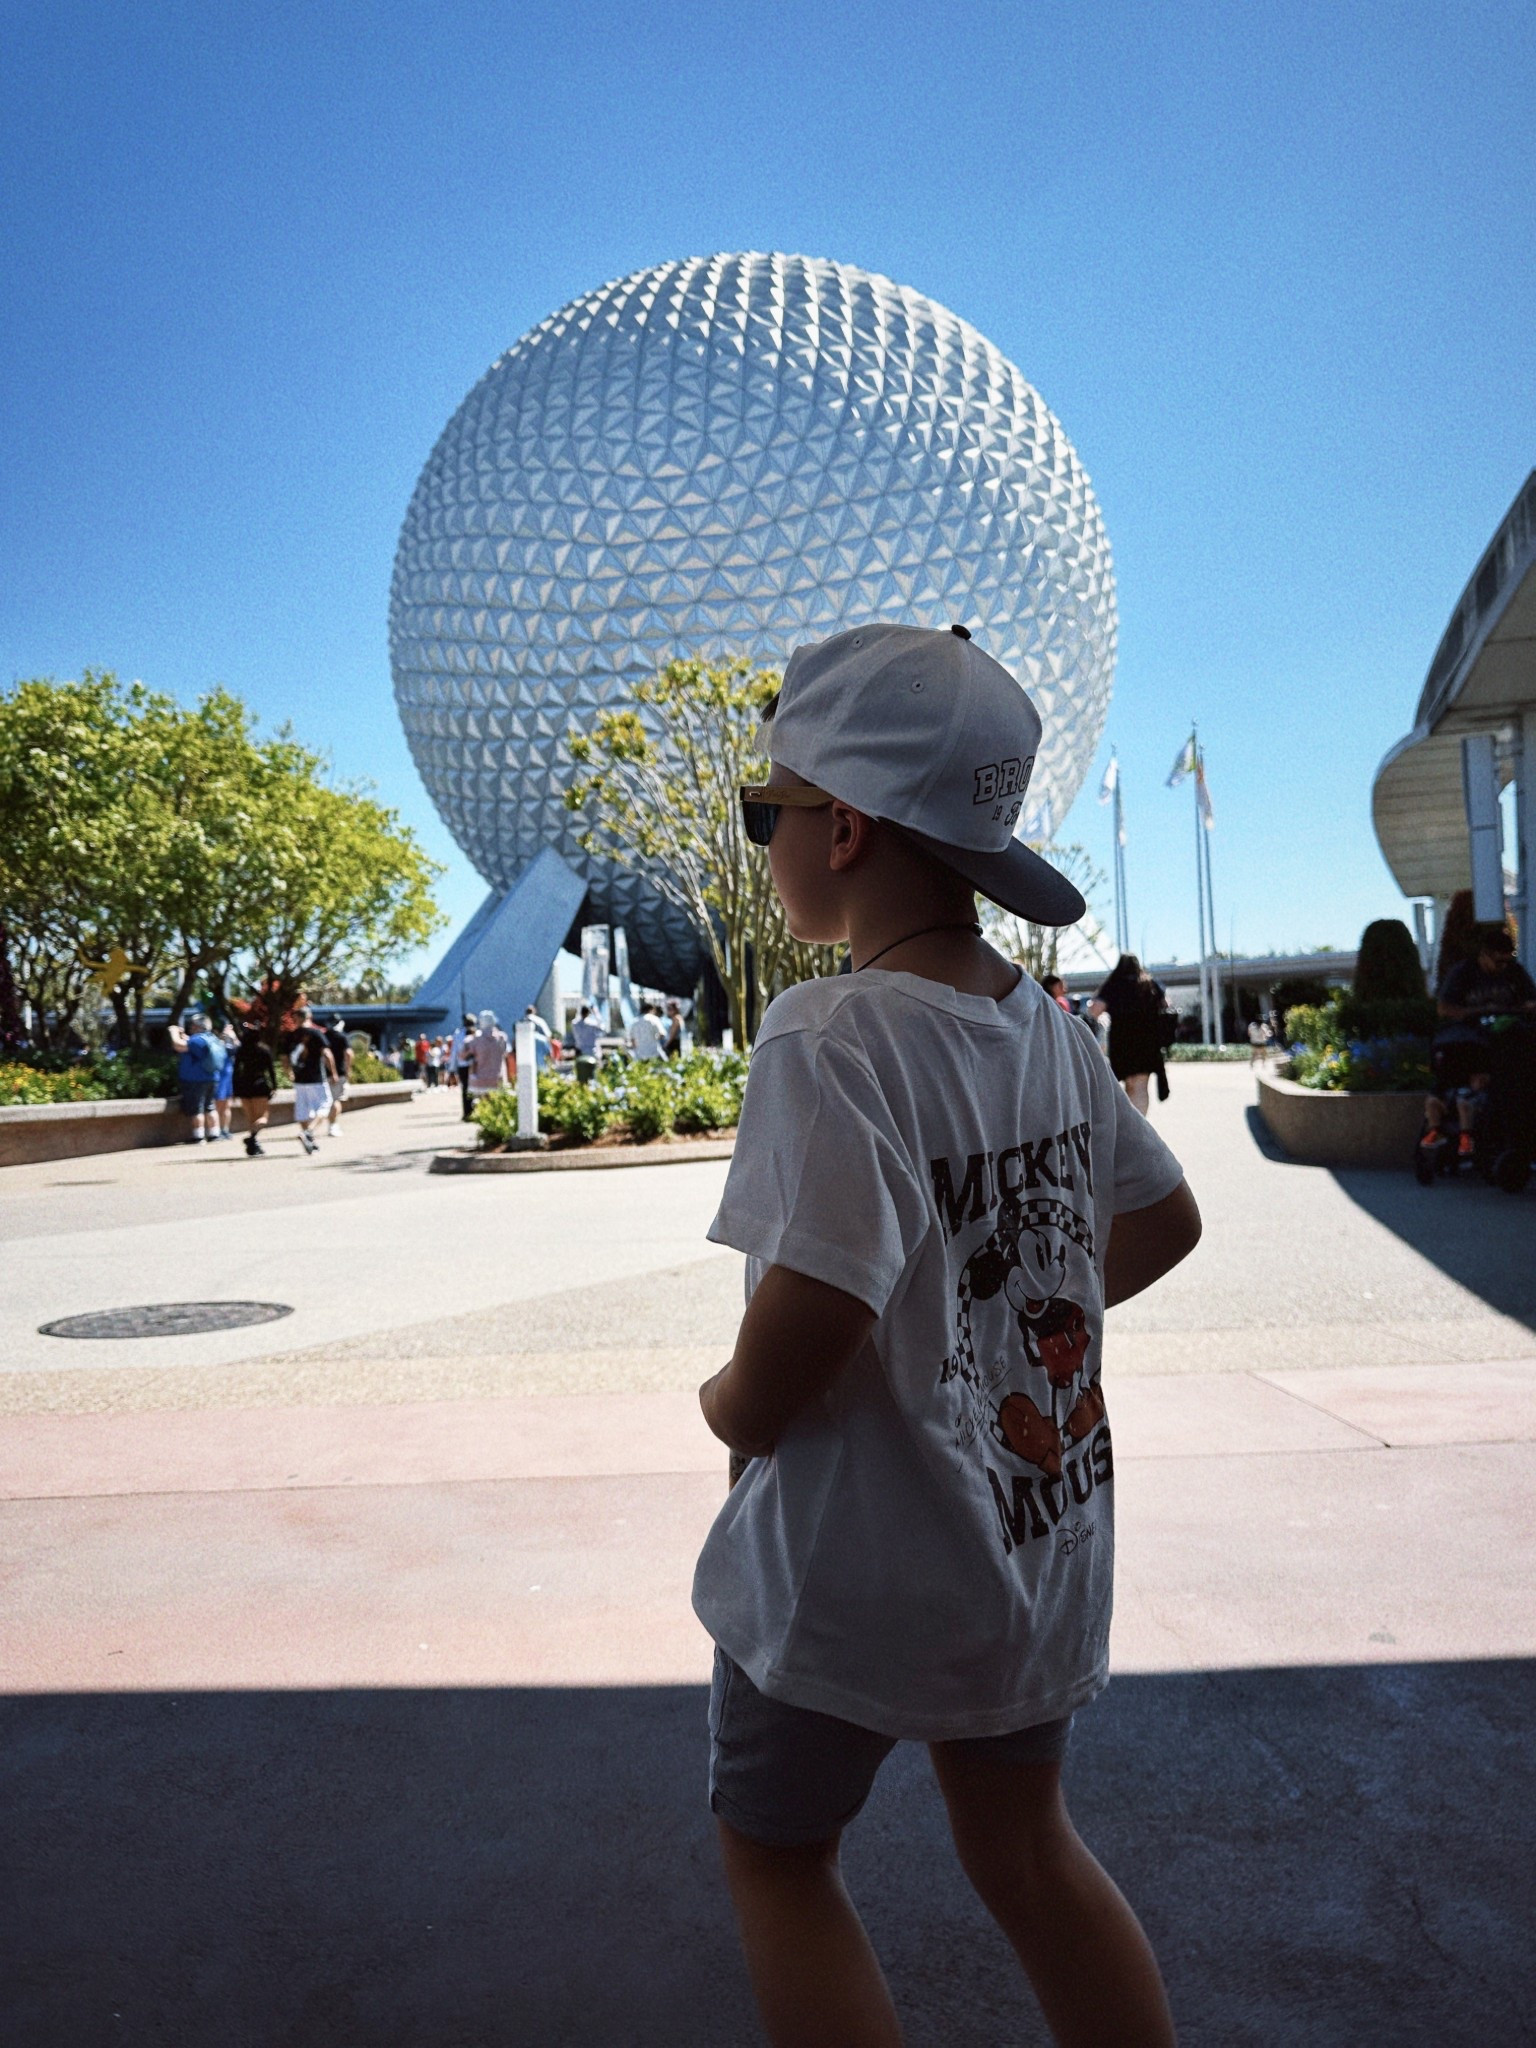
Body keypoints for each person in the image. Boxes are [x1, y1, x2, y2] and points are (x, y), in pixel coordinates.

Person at [693, 622, 1201, 2048]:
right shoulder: (1041, 1026)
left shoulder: (829, 1036)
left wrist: (731, 1406)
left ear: (843, 828)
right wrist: (1003, 1327)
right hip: (1030, 1541)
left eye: (766, 810)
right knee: (1029, 1853)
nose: (765, 838)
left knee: (779, 1857)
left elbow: (819, 1312)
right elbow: (1162, 1225)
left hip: (849, 1564)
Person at [1421, 923, 1536, 1160]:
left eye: (1507, 960)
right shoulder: (1463, 972)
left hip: (1507, 1040)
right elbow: (1444, 1009)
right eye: (1498, 961)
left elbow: (1531, 1000)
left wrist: (1520, 1009)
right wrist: (1481, 1011)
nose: (1503, 966)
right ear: (1483, 955)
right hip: (1470, 1040)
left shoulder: (1514, 971)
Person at [1089, 955, 1169, 1115]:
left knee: (1129, 1084)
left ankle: (1130, 1126)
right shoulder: (1149, 983)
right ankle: (1140, 1125)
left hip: (1123, 1042)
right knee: (1141, 1085)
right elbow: (1166, 1004)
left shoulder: (1114, 984)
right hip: (1148, 1042)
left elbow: (1095, 1010)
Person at [286, 1005, 338, 1155]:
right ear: (309, 1017)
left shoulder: (291, 1036)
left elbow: (284, 1058)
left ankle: (310, 1141)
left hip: (299, 1079)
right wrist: (333, 1072)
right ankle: (308, 1133)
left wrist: (289, 1072)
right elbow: (327, 1054)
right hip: (316, 1078)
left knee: (302, 1111)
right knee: (325, 1105)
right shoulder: (316, 1033)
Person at [168, 1011, 226, 1144]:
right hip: (212, 1078)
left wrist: (173, 1032)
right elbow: (192, 1045)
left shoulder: (197, 1040)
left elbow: (178, 1045)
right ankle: (214, 1133)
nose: (191, 1027)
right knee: (210, 1106)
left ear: (198, 1026)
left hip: (195, 1080)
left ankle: (198, 1136)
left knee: (197, 1108)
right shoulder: (212, 1038)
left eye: (193, 1025)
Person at [231, 1020, 277, 1155]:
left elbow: (236, 1070)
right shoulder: (264, 1050)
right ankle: (251, 1138)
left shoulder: (241, 1050)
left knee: (251, 1118)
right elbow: (271, 1070)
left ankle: (253, 1146)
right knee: (263, 1118)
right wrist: (274, 1085)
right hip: (259, 1085)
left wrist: (235, 1088)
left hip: (244, 1086)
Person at [465, 1008, 511, 1104]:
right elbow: (507, 1053)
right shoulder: (502, 1037)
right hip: (498, 1076)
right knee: (497, 1104)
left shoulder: (475, 1039)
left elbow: (465, 1055)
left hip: (480, 1077)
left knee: (482, 1104)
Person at [323, 1015, 354, 1135]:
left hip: (323, 1074)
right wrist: (347, 1070)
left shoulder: (324, 1036)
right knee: (335, 1100)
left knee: (328, 1100)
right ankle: (333, 1125)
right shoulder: (342, 1037)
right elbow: (349, 1054)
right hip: (339, 1073)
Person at [449, 1012, 476, 1119]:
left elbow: (454, 1052)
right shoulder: (476, 1033)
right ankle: (472, 1111)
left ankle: (467, 1112)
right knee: (474, 1088)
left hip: (464, 1066)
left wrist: (452, 1068)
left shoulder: (458, 1034)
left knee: (466, 1089)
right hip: (473, 1065)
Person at [570, 1001, 603, 1085]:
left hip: (580, 1051)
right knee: (593, 1073)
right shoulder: (591, 1024)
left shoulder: (575, 1023)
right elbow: (602, 1028)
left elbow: (577, 1019)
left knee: (581, 1074)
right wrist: (596, 1013)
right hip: (591, 1051)